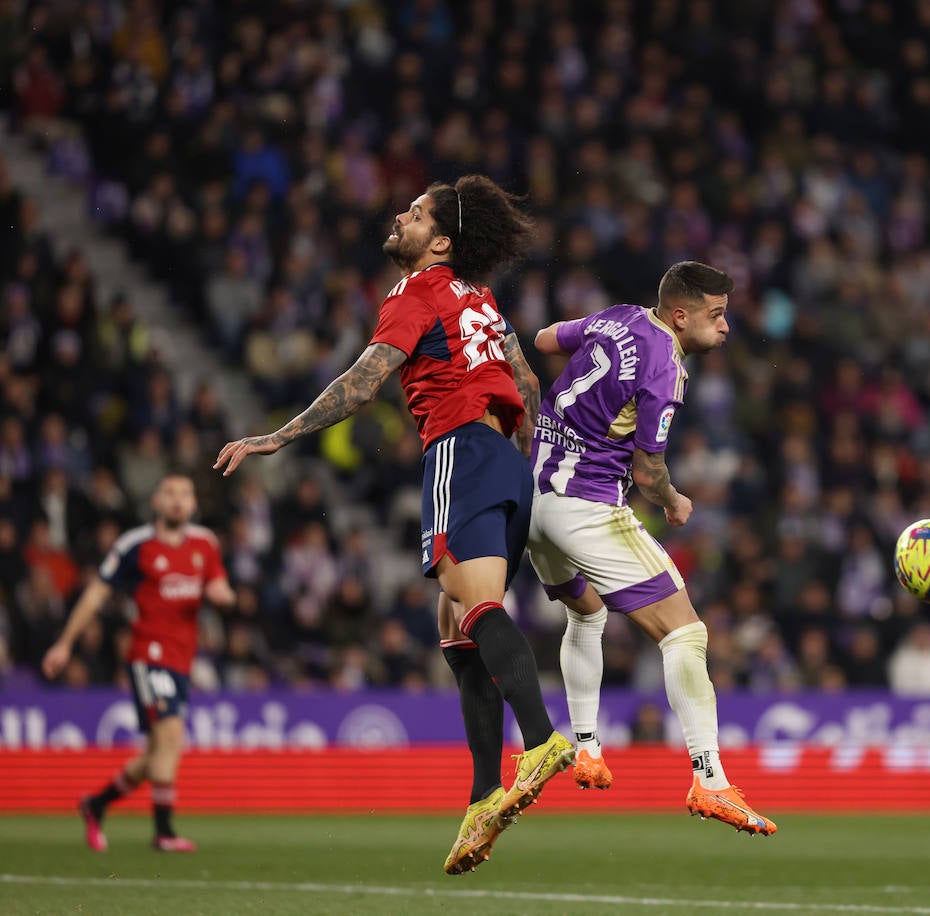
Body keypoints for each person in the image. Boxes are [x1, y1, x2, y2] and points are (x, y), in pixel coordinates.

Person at [215, 175, 573, 875]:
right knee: (454, 626)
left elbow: (361, 382)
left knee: (477, 609)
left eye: (414, 214)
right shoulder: (483, 299)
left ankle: (540, 741)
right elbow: (527, 386)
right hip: (505, 459)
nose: (398, 217)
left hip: (460, 451)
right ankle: (482, 794)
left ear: (440, 241)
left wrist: (277, 437)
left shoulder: (415, 294)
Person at [526, 261, 775, 835]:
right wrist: (673, 500)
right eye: (717, 316)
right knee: (685, 633)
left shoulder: (617, 317)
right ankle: (711, 781)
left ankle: (586, 747)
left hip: (537, 501)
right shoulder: (665, 364)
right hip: (586, 505)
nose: (726, 328)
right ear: (681, 315)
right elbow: (646, 469)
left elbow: (543, 339)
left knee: (585, 613)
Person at [42, 473, 233, 852]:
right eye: (170, 493)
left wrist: (224, 596)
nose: (178, 500)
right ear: (156, 503)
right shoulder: (136, 546)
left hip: (182, 659)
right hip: (149, 655)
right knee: (171, 737)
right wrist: (64, 644)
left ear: (193, 504)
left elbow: (219, 586)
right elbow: (96, 594)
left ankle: (95, 805)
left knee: (157, 753)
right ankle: (163, 833)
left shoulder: (205, 544)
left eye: (185, 494)